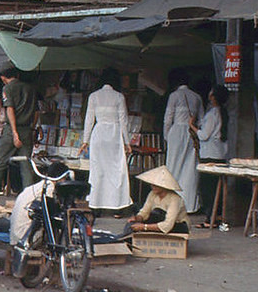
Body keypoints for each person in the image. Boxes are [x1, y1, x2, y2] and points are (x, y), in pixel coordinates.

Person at [79, 68, 132, 213]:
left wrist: (85, 140)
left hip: (99, 134)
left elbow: (89, 119)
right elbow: (124, 121)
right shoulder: (119, 97)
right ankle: (117, 207)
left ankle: (96, 205)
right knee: (116, 170)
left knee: (98, 170)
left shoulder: (94, 96)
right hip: (114, 135)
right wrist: (127, 142)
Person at [0, 63, 36, 197]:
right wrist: (32, 127)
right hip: (27, 130)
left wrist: (15, 133)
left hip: (11, 130)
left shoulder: (7, 89)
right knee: (26, 164)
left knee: (1, 161)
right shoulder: (30, 88)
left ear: (3, 77)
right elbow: (36, 111)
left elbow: (10, 110)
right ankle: (29, 196)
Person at [163, 69, 203, 213]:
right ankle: (189, 205)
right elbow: (201, 119)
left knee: (173, 167)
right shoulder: (197, 97)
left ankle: (170, 204)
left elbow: (168, 118)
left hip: (176, 133)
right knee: (190, 168)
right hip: (191, 133)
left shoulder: (174, 96)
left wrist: (167, 137)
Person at [190, 85, 230, 228]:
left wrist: (192, 126)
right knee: (215, 187)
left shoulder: (213, 114)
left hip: (209, 155)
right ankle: (216, 216)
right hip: (219, 154)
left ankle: (209, 219)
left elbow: (204, 135)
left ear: (213, 97)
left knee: (207, 188)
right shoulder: (223, 112)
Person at [126, 166, 190, 235]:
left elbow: (168, 224)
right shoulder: (152, 194)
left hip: (178, 225)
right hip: (160, 221)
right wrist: (137, 218)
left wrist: (144, 227)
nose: (153, 186)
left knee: (157, 214)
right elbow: (145, 211)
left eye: (156, 185)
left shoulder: (175, 199)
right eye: (152, 184)